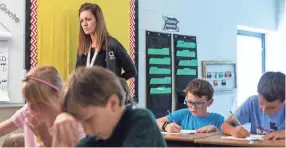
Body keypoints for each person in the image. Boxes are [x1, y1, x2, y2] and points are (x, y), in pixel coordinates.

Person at [52, 66, 166, 147]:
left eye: (89, 120)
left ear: (113, 103)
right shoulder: (97, 136)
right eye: (81, 123)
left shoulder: (142, 121)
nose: (86, 130)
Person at [0, 66, 84, 147]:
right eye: (28, 102)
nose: (31, 108)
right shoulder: (28, 111)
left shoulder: (73, 122)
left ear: (58, 95)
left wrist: (45, 136)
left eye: (38, 103)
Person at [76, 3, 137, 80]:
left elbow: (132, 70)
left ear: (98, 20)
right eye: (81, 21)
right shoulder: (82, 48)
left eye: (88, 19)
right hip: (86, 92)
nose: (84, 24)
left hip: (106, 92)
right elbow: (77, 75)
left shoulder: (112, 44)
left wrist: (114, 84)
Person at [222, 72, 285, 140]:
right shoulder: (252, 102)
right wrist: (232, 130)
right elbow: (224, 125)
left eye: (271, 107)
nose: (264, 110)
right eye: (261, 103)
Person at [156, 78, 224, 133]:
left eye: (198, 103)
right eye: (190, 102)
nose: (193, 108)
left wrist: (216, 132)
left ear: (210, 102)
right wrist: (166, 126)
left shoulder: (218, 119)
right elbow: (155, 122)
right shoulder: (182, 114)